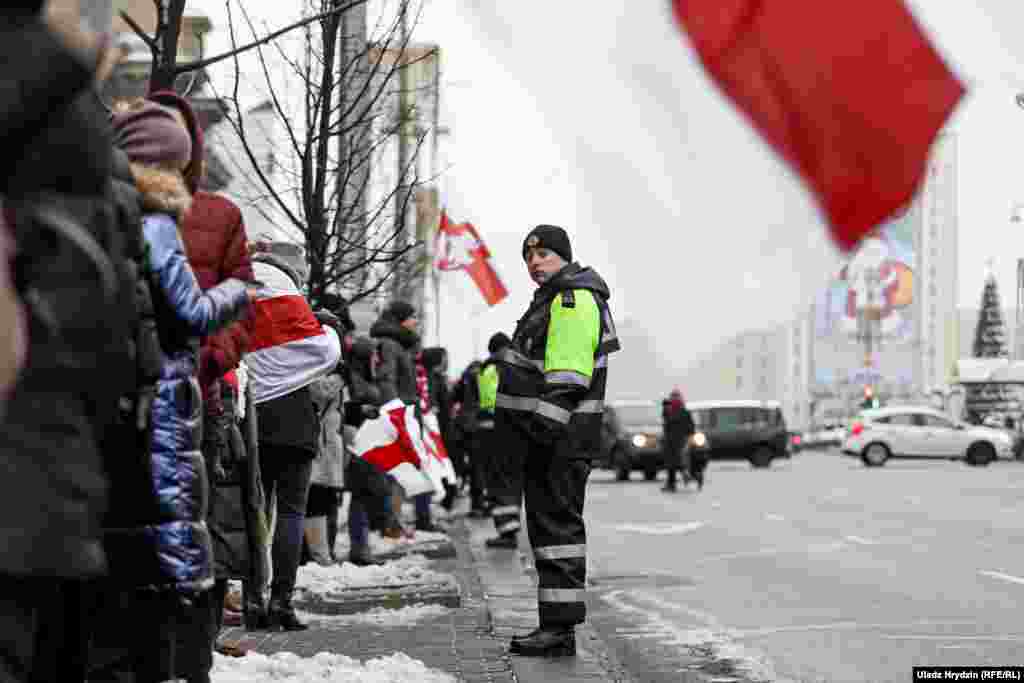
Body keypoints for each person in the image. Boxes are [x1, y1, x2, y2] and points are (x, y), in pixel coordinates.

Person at [89, 99, 253, 681]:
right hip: (166, 395)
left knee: (136, 536)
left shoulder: (100, 210)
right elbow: (188, 307)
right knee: (174, 535)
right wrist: (235, 292)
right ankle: (183, 663)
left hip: (125, 396)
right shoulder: (156, 219)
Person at [495, 225, 620, 657]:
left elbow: (567, 378)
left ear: (564, 257)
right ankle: (555, 627)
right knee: (549, 533)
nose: (535, 263)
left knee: (557, 533)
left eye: (544, 254)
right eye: (529, 258)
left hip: (557, 441)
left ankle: (559, 632)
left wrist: (541, 433)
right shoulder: (553, 300)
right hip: (552, 440)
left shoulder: (570, 300)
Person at [248, 241, 341, 631]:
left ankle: (254, 601)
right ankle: (282, 603)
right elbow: (326, 357)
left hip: (251, 419)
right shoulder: (296, 308)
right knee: (290, 513)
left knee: (254, 514)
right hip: (295, 424)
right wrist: (330, 328)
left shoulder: (242, 294)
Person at [371, 301, 440, 532]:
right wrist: (396, 414)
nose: (416, 322)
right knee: (396, 472)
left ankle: (395, 521)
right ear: (401, 320)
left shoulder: (400, 345)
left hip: (406, 412)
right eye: (412, 317)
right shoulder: (390, 345)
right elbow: (386, 380)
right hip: (400, 415)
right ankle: (391, 523)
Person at [481, 332, 522, 548]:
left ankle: (507, 532)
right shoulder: (520, 366)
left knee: (499, 482)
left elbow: (488, 402)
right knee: (512, 481)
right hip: (517, 433)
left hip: (495, 433)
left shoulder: (491, 369)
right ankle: (511, 528)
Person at [661, 388, 695, 492]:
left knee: (674, 462)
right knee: (678, 461)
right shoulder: (682, 411)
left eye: (675, 397)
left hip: (674, 440)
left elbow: (666, 423)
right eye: (673, 397)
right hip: (677, 440)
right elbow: (691, 427)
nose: (674, 399)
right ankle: (677, 480)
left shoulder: (671, 410)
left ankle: (673, 483)